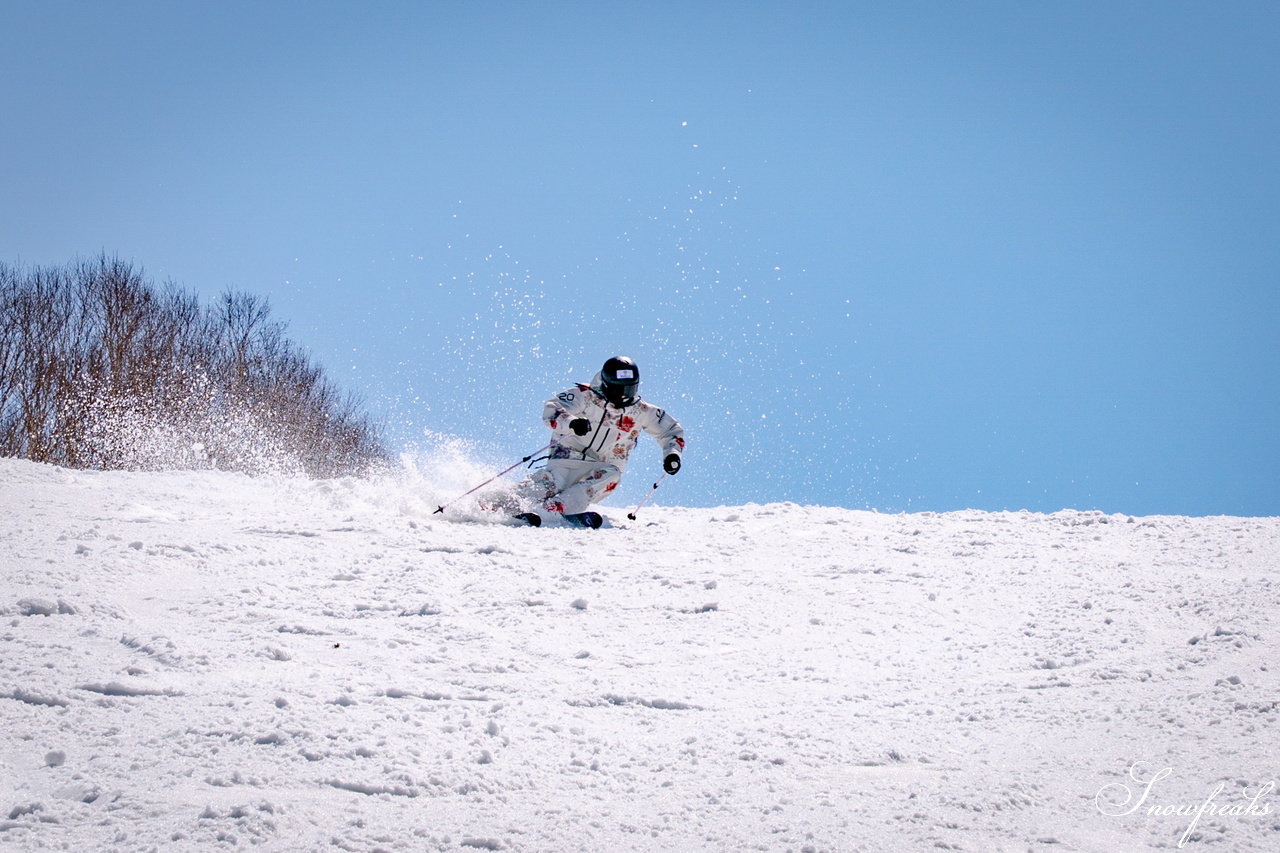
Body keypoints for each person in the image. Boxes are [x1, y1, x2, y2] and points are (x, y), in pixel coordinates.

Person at [513, 356, 684, 527]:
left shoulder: (641, 411)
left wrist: (672, 454)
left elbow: (671, 431)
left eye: (629, 389)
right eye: (618, 390)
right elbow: (553, 408)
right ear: (606, 384)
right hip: (568, 457)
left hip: (603, 465)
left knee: (611, 476)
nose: (623, 396)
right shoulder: (585, 396)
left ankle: (556, 508)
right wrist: (572, 422)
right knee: (550, 484)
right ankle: (506, 504)